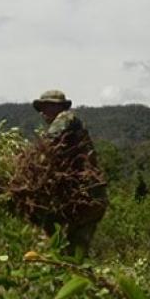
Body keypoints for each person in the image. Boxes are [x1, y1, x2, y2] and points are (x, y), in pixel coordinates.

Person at [31, 89, 108, 257]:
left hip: (86, 195)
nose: (42, 112)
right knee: (72, 249)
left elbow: (48, 148)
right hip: (84, 195)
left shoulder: (65, 118)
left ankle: (75, 279)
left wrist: (33, 166)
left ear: (57, 107)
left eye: (46, 107)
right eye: (41, 108)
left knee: (70, 249)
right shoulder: (67, 126)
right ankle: (79, 279)